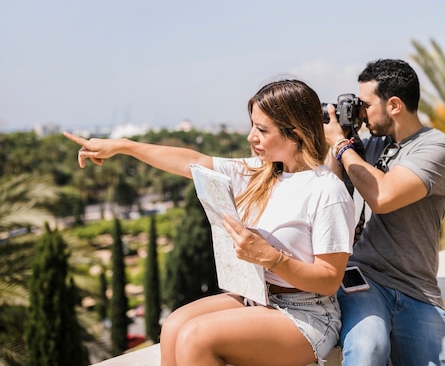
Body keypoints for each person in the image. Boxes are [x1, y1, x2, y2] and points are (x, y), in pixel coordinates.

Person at [64, 79, 355, 366]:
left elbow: (329, 280)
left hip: (308, 313)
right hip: (259, 298)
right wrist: (122, 147)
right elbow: (192, 161)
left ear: (295, 133)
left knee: (196, 337)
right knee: (174, 325)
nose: (250, 137)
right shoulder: (261, 172)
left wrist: (271, 258)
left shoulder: (326, 191)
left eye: (261, 130)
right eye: (252, 125)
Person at [324, 59, 445, 366]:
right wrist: (338, 144)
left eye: (366, 105)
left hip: (416, 288)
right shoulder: (367, 147)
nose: (361, 112)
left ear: (394, 105)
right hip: (364, 280)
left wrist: (342, 145)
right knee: (367, 350)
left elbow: (383, 196)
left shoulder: (435, 147)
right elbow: (328, 190)